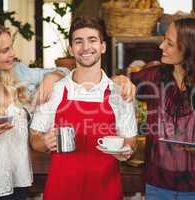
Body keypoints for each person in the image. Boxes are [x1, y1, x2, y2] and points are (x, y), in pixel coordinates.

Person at [0, 23, 135, 200]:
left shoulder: (18, 73)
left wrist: (50, 77)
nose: (13, 53)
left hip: (17, 183)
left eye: (11, 46)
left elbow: (67, 72)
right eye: (5, 50)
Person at [29, 16, 137, 200]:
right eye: (79, 42)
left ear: (103, 46)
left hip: (106, 191)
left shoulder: (119, 92)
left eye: (92, 40)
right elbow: (34, 139)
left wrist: (126, 151)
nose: (86, 47)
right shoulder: (54, 89)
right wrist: (44, 142)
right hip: (61, 190)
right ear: (71, 49)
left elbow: (131, 142)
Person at [131, 16, 195, 200]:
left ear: (189, 49)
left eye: (169, 43)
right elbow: (120, 84)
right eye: (164, 40)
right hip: (157, 185)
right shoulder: (153, 76)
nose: (161, 46)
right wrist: (121, 80)